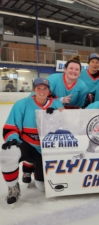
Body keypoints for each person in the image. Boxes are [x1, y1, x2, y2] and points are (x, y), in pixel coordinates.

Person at [0, 78, 63, 207]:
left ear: (49, 91)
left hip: (46, 150)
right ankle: (13, 188)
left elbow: (67, 125)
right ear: (34, 90)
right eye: (38, 88)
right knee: (7, 154)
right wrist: (12, 138)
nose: (41, 91)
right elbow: (11, 126)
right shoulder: (21, 104)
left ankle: (31, 165)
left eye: (45, 88)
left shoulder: (56, 105)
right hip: (27, 144)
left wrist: (57, 115)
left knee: (41, 186)